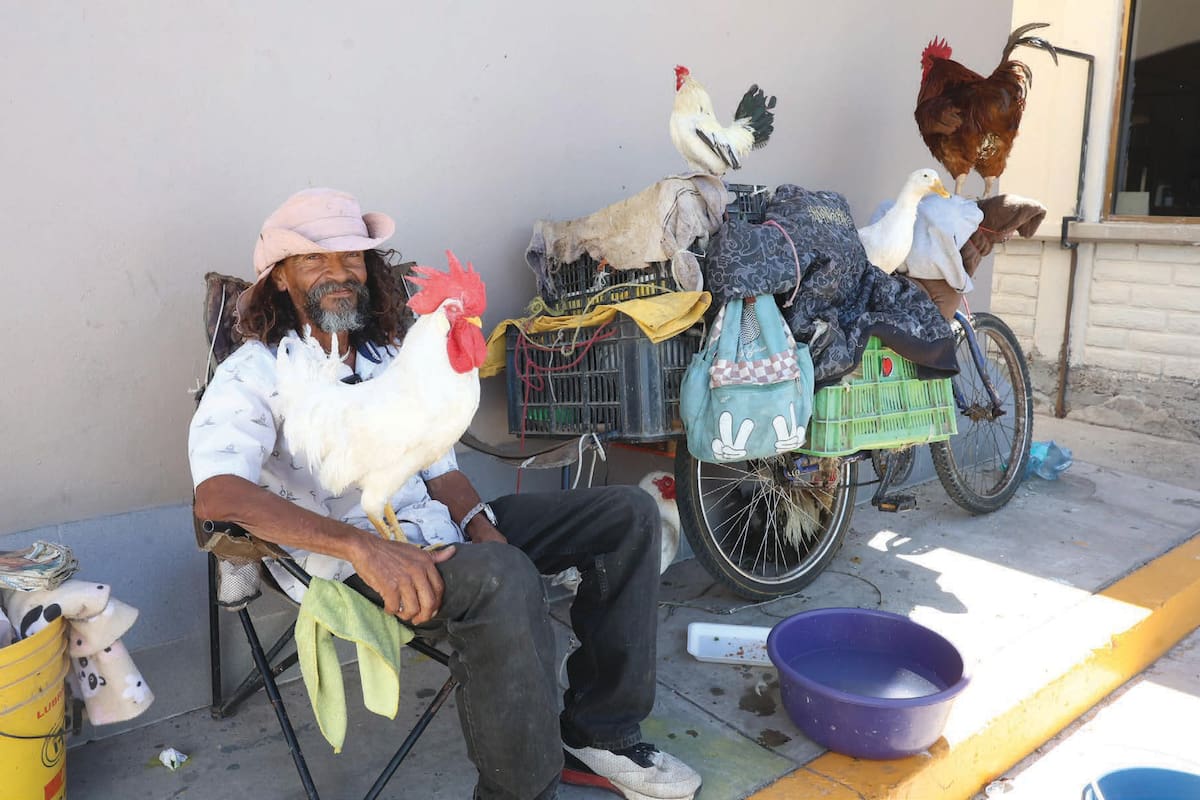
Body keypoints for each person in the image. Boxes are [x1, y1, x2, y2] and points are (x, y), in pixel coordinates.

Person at [188, 188, 702, 800]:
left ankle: (599, 733)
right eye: (313, 260)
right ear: (277, 279)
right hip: (350, 562)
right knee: (503, 577)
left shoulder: (390, 354)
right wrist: (364, 550)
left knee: (630, 514)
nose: (338, 272)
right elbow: (217, 495)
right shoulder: (254, 371)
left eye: (352, 257)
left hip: (440, 535)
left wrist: (482, 523)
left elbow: (441, 468)